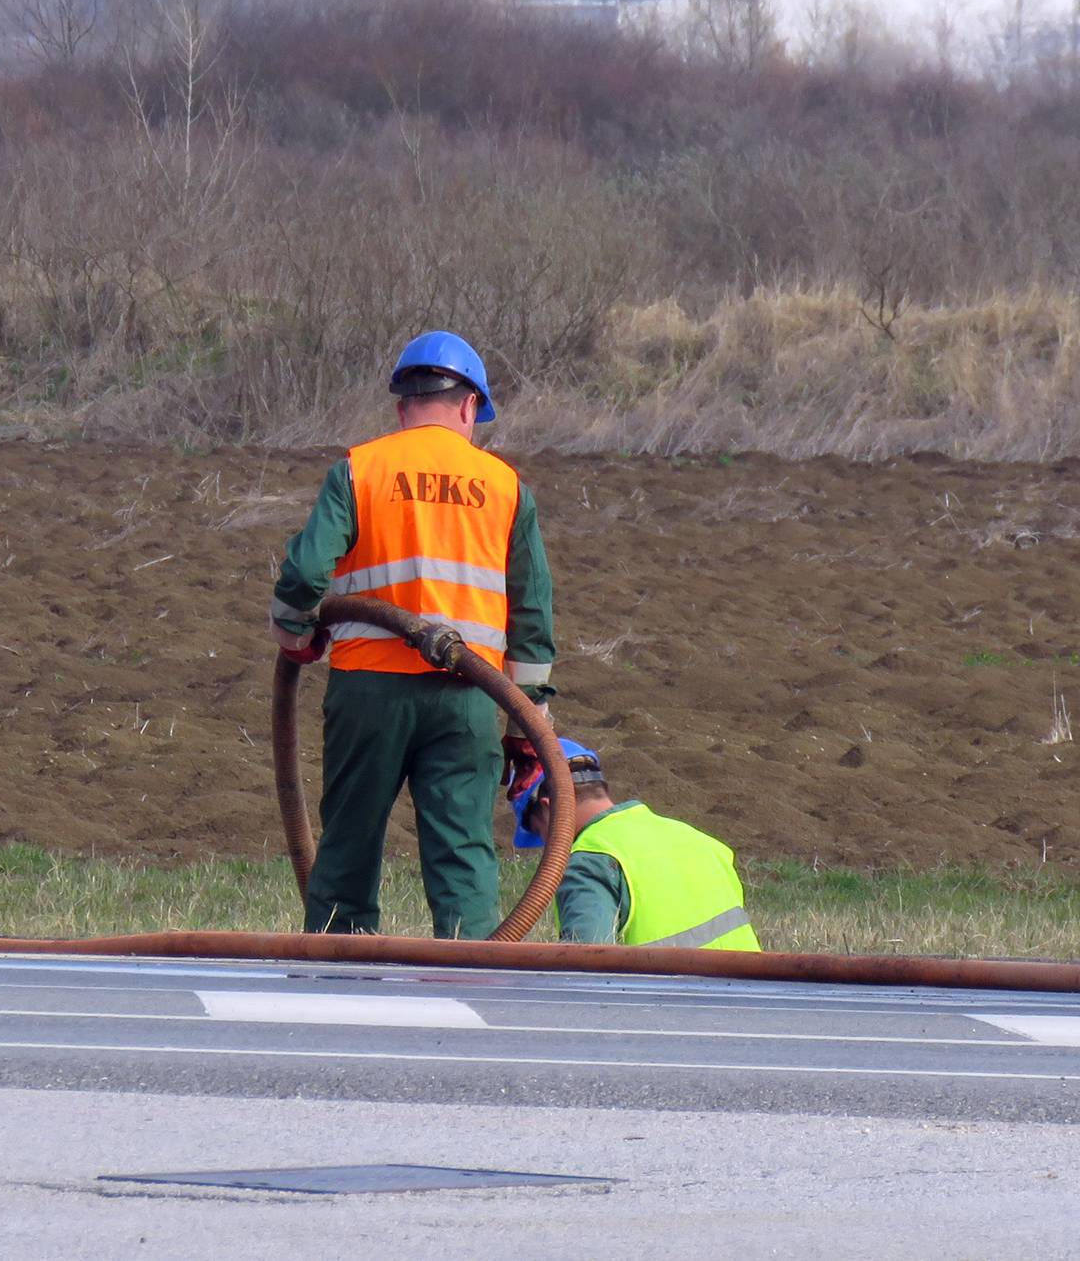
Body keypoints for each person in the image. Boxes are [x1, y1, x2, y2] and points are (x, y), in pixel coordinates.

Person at [268, 329, 556, 939]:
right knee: (462, 858)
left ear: (403, 406)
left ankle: (337, 974)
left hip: (367, 689)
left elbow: (303, 573)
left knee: (347, 847)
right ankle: (473, 974)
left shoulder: (359, 469)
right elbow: (532, 613)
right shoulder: (506, 487)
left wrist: (296, 636)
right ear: (471, 405)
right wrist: (530, 724)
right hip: (469, 700)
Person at [511, 736, 761, 949]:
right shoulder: (699, 840)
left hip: (666, 1005)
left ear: (551, 808)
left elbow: (584, 972)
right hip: (760, 1002)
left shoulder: (590, 861)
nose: (545, 844)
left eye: (538, 831)